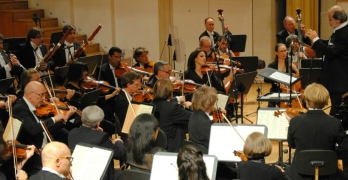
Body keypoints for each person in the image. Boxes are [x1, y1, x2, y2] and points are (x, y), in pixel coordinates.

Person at [287, 83, 348, 180]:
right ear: (325, 102)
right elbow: (345, 149)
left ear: (306, 101)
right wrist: (331, 154)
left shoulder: (295, 122)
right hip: (328, 172)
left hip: (300, 173)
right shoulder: (335, 123)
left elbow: (292, 144)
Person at [305, 5, 348, 117]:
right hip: (335, 81)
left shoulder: (345, 33)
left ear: (338, 19)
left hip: (341, 82)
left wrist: (316, 39)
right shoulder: (339, 31)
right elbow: (329, 44)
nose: (329, 22)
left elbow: (331, 52)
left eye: (330, 19)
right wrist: (313, 39)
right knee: (336, 110)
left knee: (339, 111)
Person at [68, 105, 126, 180]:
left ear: (81, 118)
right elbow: (119, 153)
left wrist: (97, 133)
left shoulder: (72, 132)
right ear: (98, 123)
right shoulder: (101, 137)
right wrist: (119, 142)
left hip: (76, 173)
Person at [13, 81, 76, 149]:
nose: (44, 98)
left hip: (48, 144)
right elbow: (33, 129)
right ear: (30, 94)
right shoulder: (19, 108)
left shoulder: (36, 107)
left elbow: (48, 129)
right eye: (41, 95)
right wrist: (54, 119)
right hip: (36, 150)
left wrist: (65, 118)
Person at [152, 79, 192, 152]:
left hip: (156, 146)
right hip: (171, 147)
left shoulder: (152, 104)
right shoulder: (172, 107)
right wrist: (190, 107)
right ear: (169, 92)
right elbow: (192, 117)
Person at [114, 71, 142, 143]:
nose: (139, 87)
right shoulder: (122, 100)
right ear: (129, 84)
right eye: (136, 85)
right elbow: (127, 121)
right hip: (127, 133)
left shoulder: (126, 95)